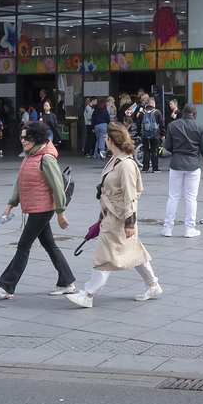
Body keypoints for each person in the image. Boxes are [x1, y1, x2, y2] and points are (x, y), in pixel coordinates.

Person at [71, 123, 163, 306]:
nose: (104, 139)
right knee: (134, 251)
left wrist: (130, 222)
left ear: (110, 140)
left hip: (120, 217)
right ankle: (152, 284)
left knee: (104, 256)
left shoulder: (125, 164)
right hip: (112, 215)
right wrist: (101, 215)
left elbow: (130, 195)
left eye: (106, 137)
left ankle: (88, 294)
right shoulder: (116, 159)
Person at [0, 121, 80, 302]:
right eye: (21, 137)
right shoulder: (29, 156)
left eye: (27, 137)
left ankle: (6, 285)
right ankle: (67, 281)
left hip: (43, 208)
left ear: (37, 138)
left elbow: (56, 185)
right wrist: (10, 205)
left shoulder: (45, 158)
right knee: (50, 245)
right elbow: (20, 182)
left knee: (23, 246)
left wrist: (60, 212)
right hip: (36, 208)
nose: (23, 140)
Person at [161, 99, 203, 237]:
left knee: (173, 197)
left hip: (176, 164)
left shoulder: (173, 126)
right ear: (194, 114)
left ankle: (167, 228)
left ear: (182, 112)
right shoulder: (200, 128)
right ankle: (189, 228)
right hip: (192, 165)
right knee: (191, 198)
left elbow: (167, 146)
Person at [137, 97, 162, 173]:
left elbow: (138, 124)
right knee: (154, 150)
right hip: (155, 134)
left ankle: (145, 168)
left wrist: (139, 134)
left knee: (146, 150)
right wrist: (163, 134)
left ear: (147, 104)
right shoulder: (157, 112)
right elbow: (162, 123)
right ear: (154, 104)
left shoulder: (142, 112)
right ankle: (155, 168)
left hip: (144, 134)